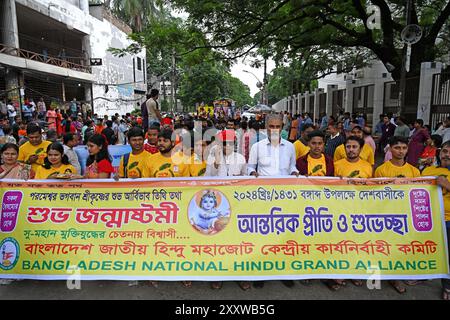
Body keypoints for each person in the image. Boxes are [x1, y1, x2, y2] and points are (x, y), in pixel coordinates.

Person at [247, 114, 298, 289]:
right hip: (263, 198)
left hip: (285, 198)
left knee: (283, 236)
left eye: (277, 126)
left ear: (282, 127)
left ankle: (283, 271)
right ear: (266, 127)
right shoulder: (257, 147)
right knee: (263, 236)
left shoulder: (290, 147)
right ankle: (261, 272)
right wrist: (252, 174)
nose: (274, 130)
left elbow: (292, 166)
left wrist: (294, 172)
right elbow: (249, 167)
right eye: (271, 126)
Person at [374, 136, 420, 294]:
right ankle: (389, 275)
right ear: (390, 149)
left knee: (404, 246)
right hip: (387, 215)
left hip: (406, 216)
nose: (400, 151)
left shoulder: (414, 171)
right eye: (397, 148)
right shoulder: (381, 170)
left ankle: (399, 274)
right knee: (386, 245)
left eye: (403, 148)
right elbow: (375, 194)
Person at [422, 141, 450, 300]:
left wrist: (447, 184)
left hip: (449, 220)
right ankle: (423, 275)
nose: (447, 154)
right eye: (445, 151)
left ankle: (447, 285)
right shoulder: (428, 170)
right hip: (429, 219)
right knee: (426, 249)